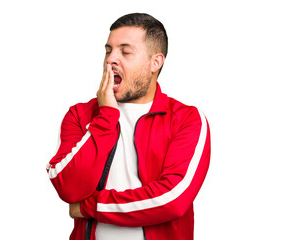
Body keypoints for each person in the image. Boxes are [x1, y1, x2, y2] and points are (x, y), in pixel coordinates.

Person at [47, 13, 211, 240]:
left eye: (125, 51)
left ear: (156, 62)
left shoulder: (186, 119)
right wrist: (106, 117)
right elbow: (68, 188)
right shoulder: (80, 115)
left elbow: (172, 199)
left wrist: (90, 207)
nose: (110, 59)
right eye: (108, 50)